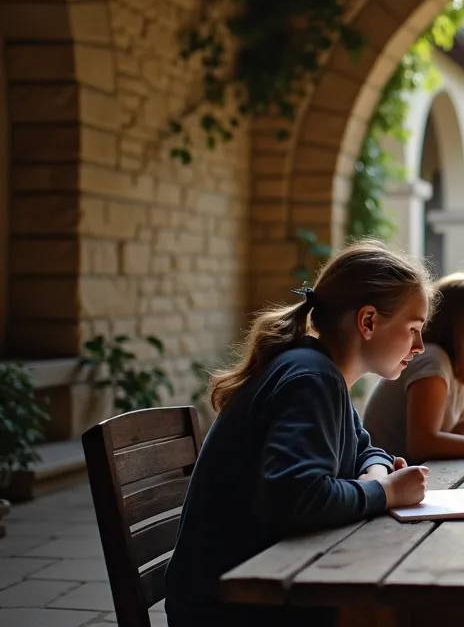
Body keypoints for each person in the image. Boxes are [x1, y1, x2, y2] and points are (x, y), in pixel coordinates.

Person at [166, 240, 433, 627]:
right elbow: (295, 497)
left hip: (251, 587)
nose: (420, 346)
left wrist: (376, 474)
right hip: (233, 608)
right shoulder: (311, 378)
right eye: (413, 329)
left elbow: (366, 448)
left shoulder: (322, 372)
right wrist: (386, 491)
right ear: (369, 321)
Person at [364, 273, 464, 461]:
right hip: (386, 480)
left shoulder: (455, 364)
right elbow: (423, 447)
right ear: (461, 323)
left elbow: (453, 438)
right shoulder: (432, 362)